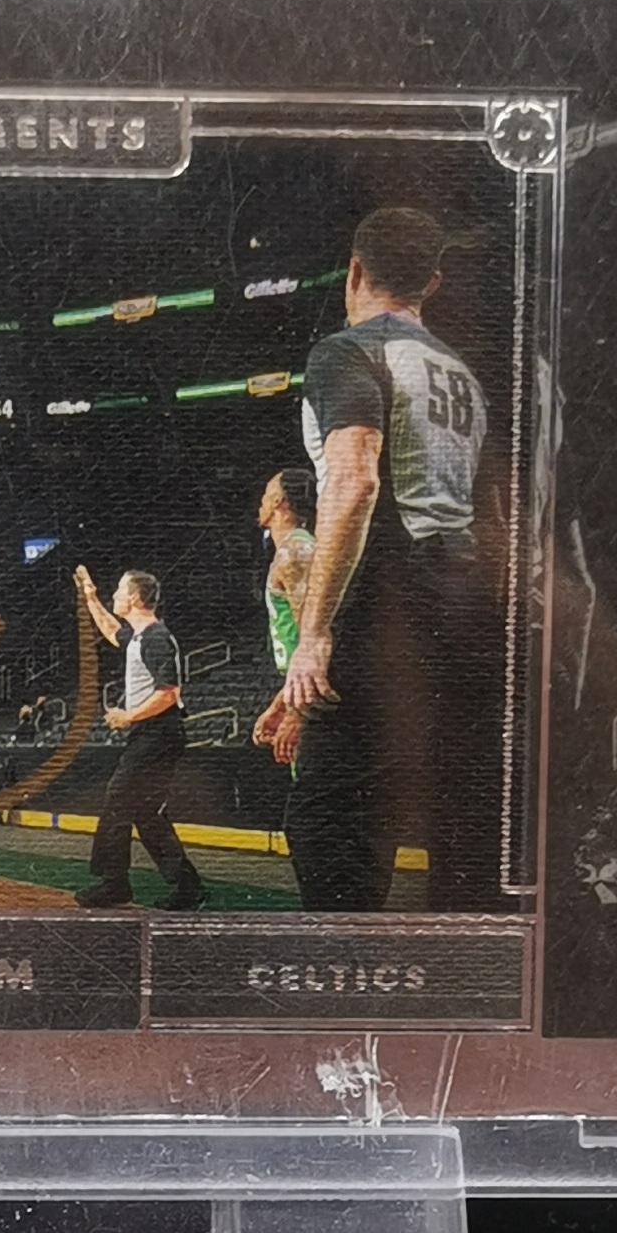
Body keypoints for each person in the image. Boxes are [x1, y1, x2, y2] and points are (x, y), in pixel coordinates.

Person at [256, 206, 502, 913]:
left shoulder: (349, 351)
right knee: (440, 822)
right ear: (431, 282)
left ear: (355, 271)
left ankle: (345, 970)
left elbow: (356, 478)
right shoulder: (464, 376)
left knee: (328, 824)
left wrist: (314, 636)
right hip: (466, 604)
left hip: (390, 594)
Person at [71, 566, 204, 910]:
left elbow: (169, 693)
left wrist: (127, 716)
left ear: (133, 597)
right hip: (155, 734)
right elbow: (111, 630)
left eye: (119, 590)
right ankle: (188, 886)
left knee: (117, 800)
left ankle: (114, 883)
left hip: (157, 734)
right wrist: (90, 598)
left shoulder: (156, 638)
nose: (115, 595)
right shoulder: (139, 637)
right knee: (146, 814)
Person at [258, 465, 318, 676]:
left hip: (302, 675)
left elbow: (309, 624)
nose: (261, 500)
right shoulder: (290, 547)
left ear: (278, 500)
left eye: (266, 493)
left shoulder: (295, 550)